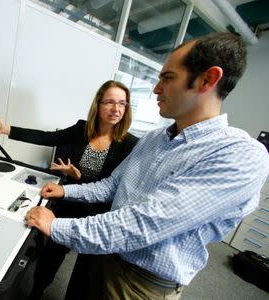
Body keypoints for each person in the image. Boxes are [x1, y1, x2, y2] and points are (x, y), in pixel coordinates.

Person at [25, 32, 269, 300]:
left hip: (139, 285)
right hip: (102, 253)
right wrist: (66, 192)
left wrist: (58, 227)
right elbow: (113, 185)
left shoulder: (241, 155)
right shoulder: (155, 138)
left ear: (207, 79)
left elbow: (146, 222)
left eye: (168, 78)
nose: (156, 88)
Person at [0, 80, 138, 299]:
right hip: (68, 205)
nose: (116, 109)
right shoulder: (82, 129)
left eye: (122, 104)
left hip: (97, 215)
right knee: (50, 259)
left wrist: (80, 176)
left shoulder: (129, 144)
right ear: (98, 105)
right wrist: (6, 129)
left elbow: (113, 185)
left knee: (85, 273)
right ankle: (37, 292)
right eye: (109, 102)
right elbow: (47, 137)